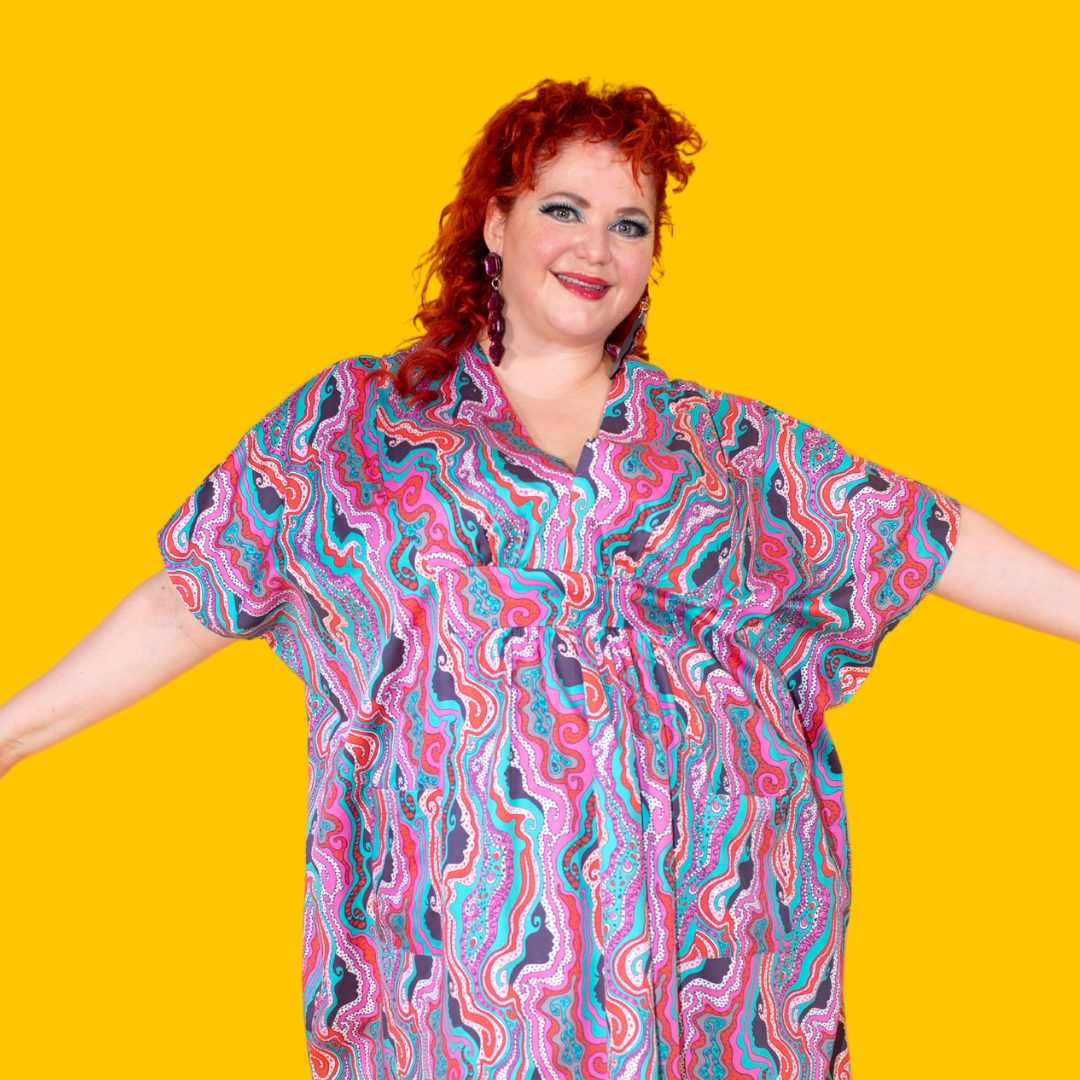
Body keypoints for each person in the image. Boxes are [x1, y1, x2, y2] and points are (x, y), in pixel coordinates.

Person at [1, 79, 1077, 1080]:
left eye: (630, 224)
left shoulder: (728, 445)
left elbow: (925, 538)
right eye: (564, 209)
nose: (596, 248)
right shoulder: (353, 429)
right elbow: (190, 592)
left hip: (723, 990)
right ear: (494, 222)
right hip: (454, 995)